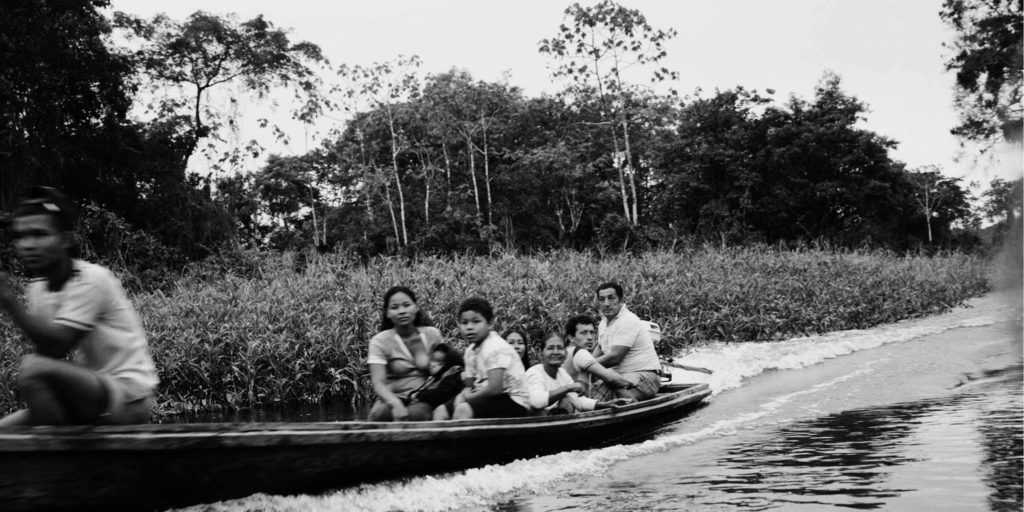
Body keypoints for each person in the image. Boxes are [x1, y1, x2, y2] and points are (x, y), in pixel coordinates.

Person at [0, 187, 159, 426]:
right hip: (90, 394)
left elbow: (60, 342)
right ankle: (61, 450)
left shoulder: (91, 279)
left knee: (32, 369)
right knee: (4, 431)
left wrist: (9, 302)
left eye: (39, 234)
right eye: (21, 236)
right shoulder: (38, 288)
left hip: (129, 397)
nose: (28, 245)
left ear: (65, 240)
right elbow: (50, 354)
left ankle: (62, 460)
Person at [366, 286, 444, 421]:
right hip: (391, 398)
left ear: (416, 308)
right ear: (388, 313)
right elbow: (378, 383)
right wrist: (395, 403)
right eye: (395, 307)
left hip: (423, 398)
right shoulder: (380, 341)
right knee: (381, 415)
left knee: (418, 414)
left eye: (406, 305)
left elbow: (445, 371)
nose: (402, 311)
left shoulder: (433, 335)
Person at [451, 297, 530, 419]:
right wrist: (462, 393)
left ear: (490, 323)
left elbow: (495, 388)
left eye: (476, 321)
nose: (469, 327)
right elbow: (470, 384)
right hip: (489, 397)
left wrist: (468, 397)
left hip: (514, 400)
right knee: (445, 409)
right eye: (464, 322)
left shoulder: (495, 347)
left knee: (463, 410)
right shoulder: (470, 352)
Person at [525, 333, 632, 415]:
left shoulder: (561, 373)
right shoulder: (534, 373)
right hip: (535, 419)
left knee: (567, 401)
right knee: (565, 401)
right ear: (541, 355)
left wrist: (604, 405)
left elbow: (577, 400)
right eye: (550, 348)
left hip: (552, 419)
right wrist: (568, 388)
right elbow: (536, 402)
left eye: (560, 348)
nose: (556, 352)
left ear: (565, 354)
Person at [591, 282, 662, 401]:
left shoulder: (627, 320)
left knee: (619, 387)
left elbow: (615, 357)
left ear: (621, 300)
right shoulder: (603, 323)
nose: (606, 304)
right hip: (618, 375)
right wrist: (586, 364)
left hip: (645, 375)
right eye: (602, 300)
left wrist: (588, 366)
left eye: (611, 298)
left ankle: (634, 411)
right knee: (589, 393)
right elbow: (599, 347)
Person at [561, 314, 634, 393]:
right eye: (584, 333)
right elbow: (610, 378)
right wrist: (631, 383)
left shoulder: (566, 353)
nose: (590, 337)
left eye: (592, 332)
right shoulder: (579, 353)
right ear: (571, 337)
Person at [406, 343, 464, 420]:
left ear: (448, 364)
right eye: (433, 360)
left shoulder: (453, 375)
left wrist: (419, 395)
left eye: (439, 363)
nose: (433, 365)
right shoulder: (435, 377)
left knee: (415, 413)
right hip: (430, 404)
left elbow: (441, 394)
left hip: (443, 408)